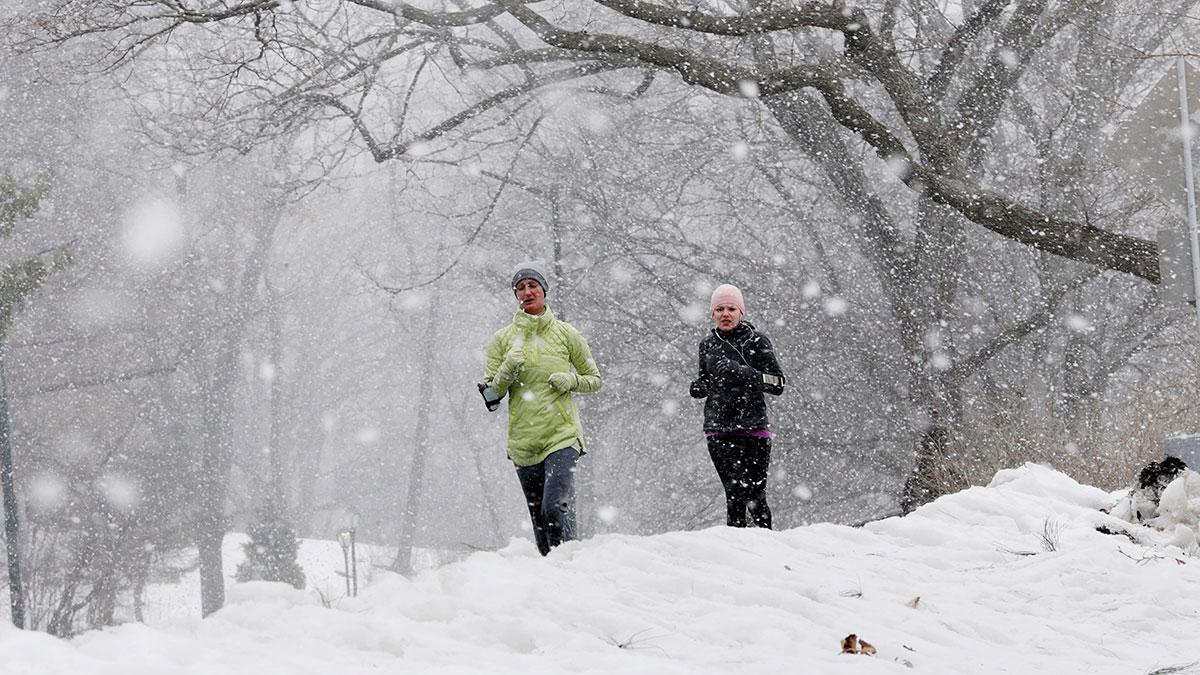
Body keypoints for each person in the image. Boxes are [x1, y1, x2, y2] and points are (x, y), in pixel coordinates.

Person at [483, 262, 602, 555]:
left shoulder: (566, 334)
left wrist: (570, 380)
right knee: (540, 522)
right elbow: (490, 396)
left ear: (544, 291)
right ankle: (552, 577)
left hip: (561, 434)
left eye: (532, 285)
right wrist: (508, 369)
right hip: (525, 441)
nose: (527, 291)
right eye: (520, 288)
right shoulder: (502, 339)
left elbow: (594, 379)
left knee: (554, 507)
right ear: (516, 296)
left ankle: (570, 566)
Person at [689, 283, 786, 528]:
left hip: (753, 429)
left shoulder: (757, 341)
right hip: (719, 428)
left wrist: (743, 371)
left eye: (731, 308)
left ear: (741, 312)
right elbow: (707, 379)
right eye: (719, 309)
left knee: (755, 495)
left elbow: (778, 383)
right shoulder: (707, 345)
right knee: (734, 494)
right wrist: (700, 387)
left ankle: (767, 544)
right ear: (712, 313)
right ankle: (737, 551)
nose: (725, 314)